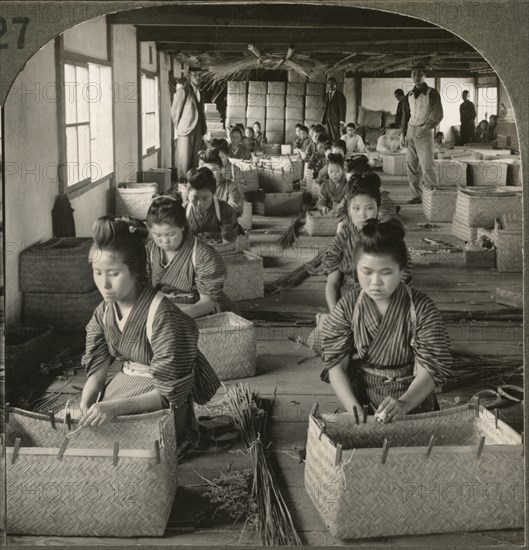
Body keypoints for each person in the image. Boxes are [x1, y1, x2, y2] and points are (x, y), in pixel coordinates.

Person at [78, 216, 220, 439]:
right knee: (94, 433)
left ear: (135, 271)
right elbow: (97, 374)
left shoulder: (164, 316)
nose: (104, 284)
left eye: (114, 274)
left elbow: (169, 393)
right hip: (122, 389)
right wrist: (85, 403)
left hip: (159, 399)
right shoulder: (103, 312)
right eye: (97, 272)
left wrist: (115, 408)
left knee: (131, 441)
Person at [321, 219, 451, 421]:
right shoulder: (348, 306)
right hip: (363, 402)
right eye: (367, 272)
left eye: (386, 273)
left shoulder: (422, 308)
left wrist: (404, 404)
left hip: (415, 405)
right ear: (356, 268)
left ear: (402, 270)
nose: (375, 283)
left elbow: (431, 369)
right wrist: (355, 412)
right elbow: (336, 365)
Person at [323, 174, 410, 312]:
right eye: (356, 208)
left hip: (386, 304)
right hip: (348, 304)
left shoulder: (390, 237)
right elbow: (332, 283)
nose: (362, 215)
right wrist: (335, 314)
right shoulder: (342, 239)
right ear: (348, 210)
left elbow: (400, 284)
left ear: (378, 208)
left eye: (369, 208)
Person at [146, 195, 237, 318]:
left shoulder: (204, 255)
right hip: (162, 307)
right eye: (157, 235)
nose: (164, 241)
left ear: (183, 226)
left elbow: (208, 302)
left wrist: (173, 317)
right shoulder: (150, 250)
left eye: (171, 234)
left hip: (199, 310)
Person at [401, 66, 444, 204]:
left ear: (425, 75)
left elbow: (438, 113)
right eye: (413, 74)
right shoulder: (409, 95)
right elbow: (405, 115)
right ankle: (416, 196)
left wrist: (426, 127)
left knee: (427, 165)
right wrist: (403, 134)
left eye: (419, 74)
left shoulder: (432, 93)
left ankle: (433, 198)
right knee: (411, 165)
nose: (416, 76)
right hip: (410, 130)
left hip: (424, 131)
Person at [185, 167, 241, 243]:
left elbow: (228, 242)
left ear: (213, 194)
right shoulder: (183, 210)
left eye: (205, 198)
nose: (200, 204)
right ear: (188, 195)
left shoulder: (225, 210)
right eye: (195, 198)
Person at [171, 69, 207, 180]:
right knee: (184, 162)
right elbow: (175, 112)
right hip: (186, 130)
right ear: (189, 76)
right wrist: (181, 127)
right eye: (195, 74)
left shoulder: (200, 91)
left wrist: (202, 129)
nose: (198, 77)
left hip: (198, 129)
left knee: (195, 161)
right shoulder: (184, 91)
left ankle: (193, 185)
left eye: (200, 75)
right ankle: (182, 187)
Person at [198, 148, 244, 216]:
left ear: (222, 170)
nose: (210, 174)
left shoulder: (231, 187)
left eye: (214, 170)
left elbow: (232, 212)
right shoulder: (197, 185)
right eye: (206, 170)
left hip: (224, 224)